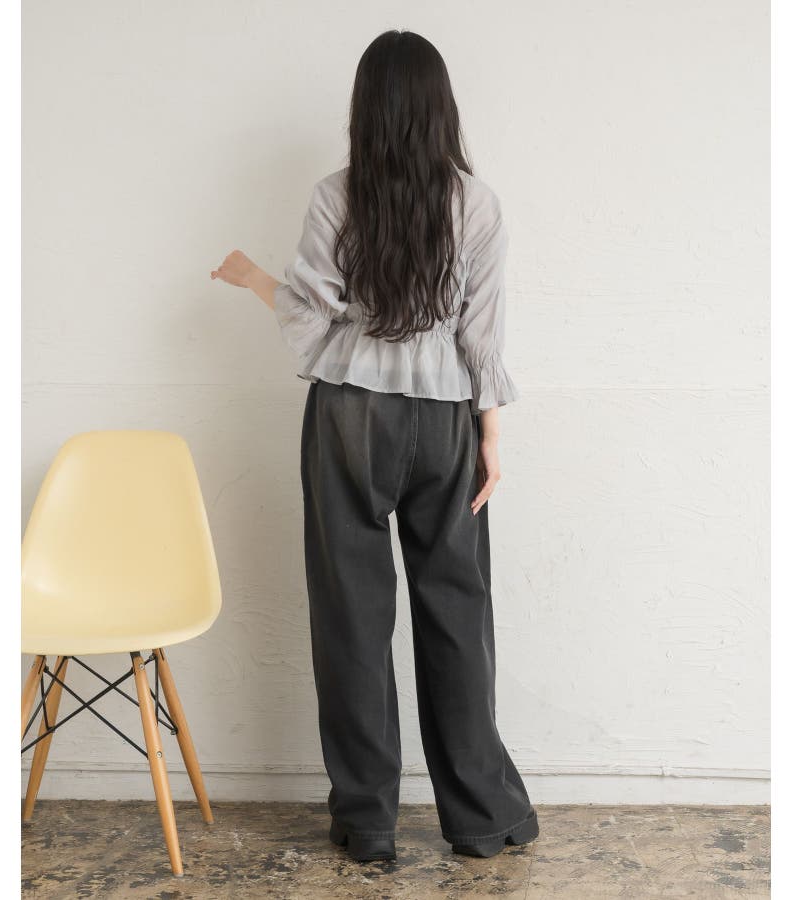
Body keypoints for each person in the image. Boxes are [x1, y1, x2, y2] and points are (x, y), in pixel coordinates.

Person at [211, 29, 538, 864]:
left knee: (351, 615)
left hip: (350, 417)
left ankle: (369, 823)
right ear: (440, 107)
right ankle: (483, 818)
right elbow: (483, 335)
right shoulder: (479, 203)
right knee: (457, 611)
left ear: (366, 107)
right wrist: (491, 436)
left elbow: (309, 314)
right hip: (448, 422)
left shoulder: (337, 196)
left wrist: (253, 278)